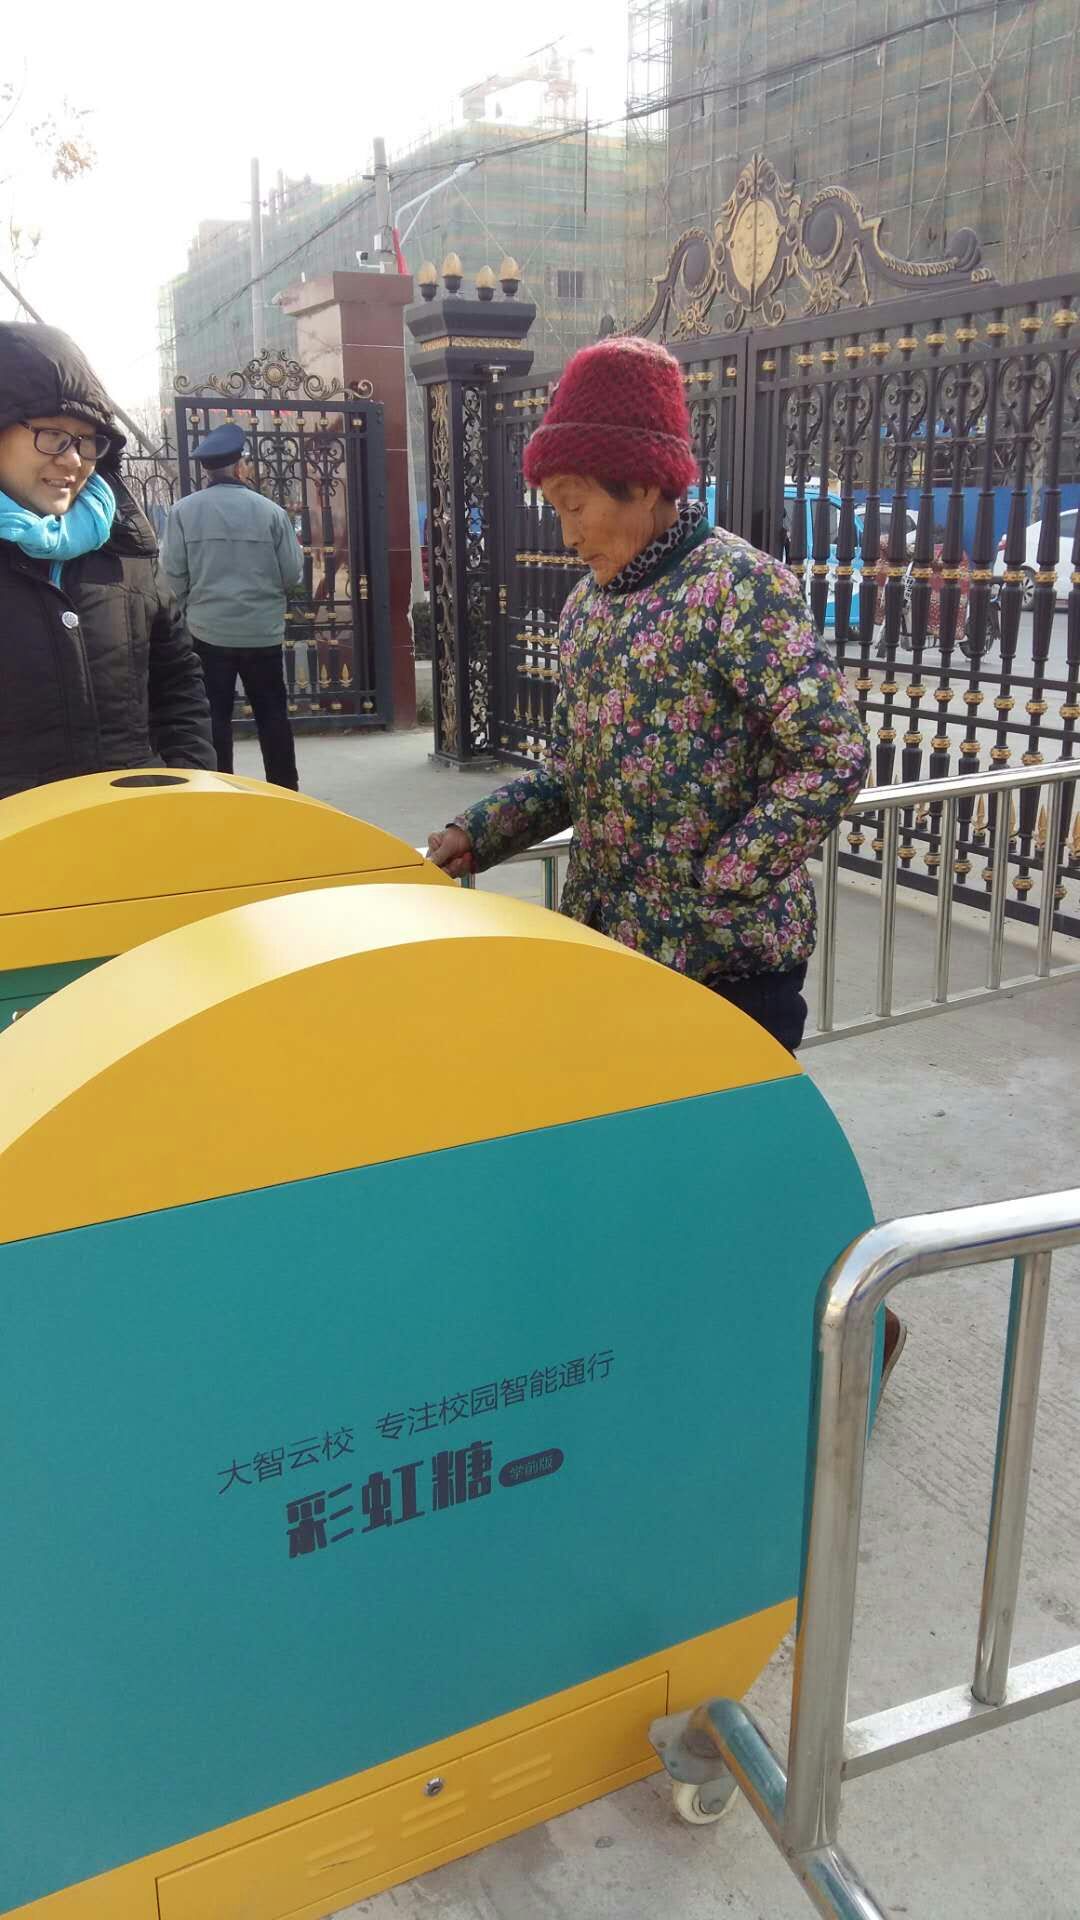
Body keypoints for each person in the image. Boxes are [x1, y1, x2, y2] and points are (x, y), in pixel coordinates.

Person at [428, 336, 904, 1388]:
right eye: (553, 508)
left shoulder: (741, 591)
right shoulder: (586, 612)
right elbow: (574, 773)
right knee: (652, 1174)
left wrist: (722, 880)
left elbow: (829, 753)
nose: (566, 534)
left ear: (644, 485)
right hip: (618, 953)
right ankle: (683, 1360)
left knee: (751, 1178)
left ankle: (862, 1337)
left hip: (730, 963)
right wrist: (480, 831)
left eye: (575, 505)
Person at [0, 322, 214, 801]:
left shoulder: (125, 546)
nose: (73, 460)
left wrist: (187, 782)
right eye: (53, 435)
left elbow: (177, 680)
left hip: (136, 826)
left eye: (87, 441)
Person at [160, 422, 304, 790]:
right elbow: (292, 573)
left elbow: (173, 576)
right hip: (261, 633)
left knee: (214, 718)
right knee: (273, 715)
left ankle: (220, 790)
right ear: (240, 466)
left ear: (207, 470)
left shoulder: (183, 512)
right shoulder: (271, 512)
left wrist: (191, 610)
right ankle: (284, 791)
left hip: (208, 632)